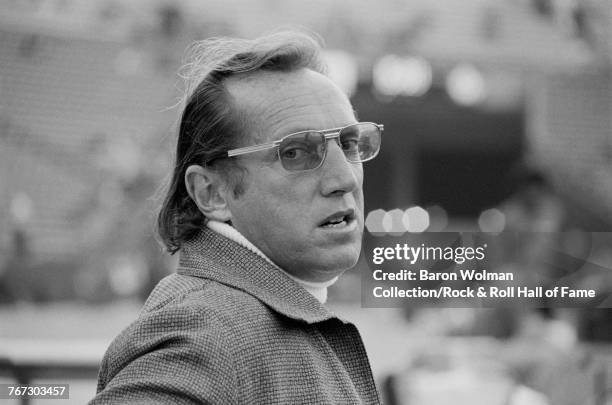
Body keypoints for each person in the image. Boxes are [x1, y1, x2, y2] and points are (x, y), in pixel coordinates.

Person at [90, 29, 383, 404]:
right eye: (294, 152)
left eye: (349, 143)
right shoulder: (201, 330)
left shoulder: (249, 315)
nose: (344, 178)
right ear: (210, 193)